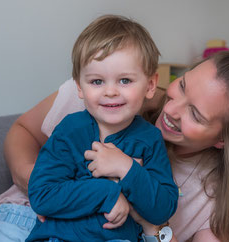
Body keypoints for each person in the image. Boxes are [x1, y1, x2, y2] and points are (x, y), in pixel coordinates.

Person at [0, 28, 229, 242]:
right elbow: (22, 131)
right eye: (182, 85)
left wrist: (151, 224)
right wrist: (45, 189)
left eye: (195, 114)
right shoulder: (107, 95)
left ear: (223, 139)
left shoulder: (217, 198)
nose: (172, 109)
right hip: (27, 217)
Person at [23, 15, 178, 242]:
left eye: (124, 80)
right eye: (97, 81)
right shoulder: (70, 130)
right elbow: (42, 195)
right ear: (79, 87)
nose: (110, 92)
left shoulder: (150, 139)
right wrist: (107, 193)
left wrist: (126, 168)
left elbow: (163, 208)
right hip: (57, 238)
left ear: (150, 85)